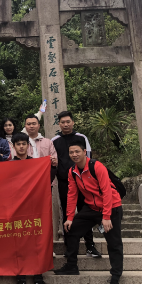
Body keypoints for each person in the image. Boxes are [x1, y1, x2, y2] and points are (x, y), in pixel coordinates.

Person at [54, 141, 123, 284]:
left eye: (77, 151)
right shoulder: (72, 171)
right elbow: (72, 194)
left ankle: (115, 277)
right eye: (71, 152)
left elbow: (106, 191)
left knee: (114, 243)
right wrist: (69, 217)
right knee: (71, 229)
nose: (74, 155)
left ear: (84, 152)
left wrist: (106, 216)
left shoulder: (96, 166)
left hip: (111, 207)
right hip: (91, 207)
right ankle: (71, 265)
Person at [51, 111, 101, 259]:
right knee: (67, 214)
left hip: (83, 182)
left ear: (73, 122)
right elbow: (53, 161)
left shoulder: (82, 138)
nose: (65, 124)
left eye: (68, 121)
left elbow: (89, 158)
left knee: (86, 212)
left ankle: (90, 246)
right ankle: (69, 247)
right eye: (63, 122)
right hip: (64, 183)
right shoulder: (55, 141)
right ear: (59, 124)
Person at [11, 132, 55, 284]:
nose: (21, 147)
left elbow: (47, 180)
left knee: (37, 244)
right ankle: (21, 280)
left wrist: (53, 166)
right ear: (14, 146)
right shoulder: (8, 166)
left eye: (24, 144)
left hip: (35, 210)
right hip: (16, 211)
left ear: (28, 146)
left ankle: (38, 280)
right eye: (18, 144)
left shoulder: (37, 164)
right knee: (18, 245)